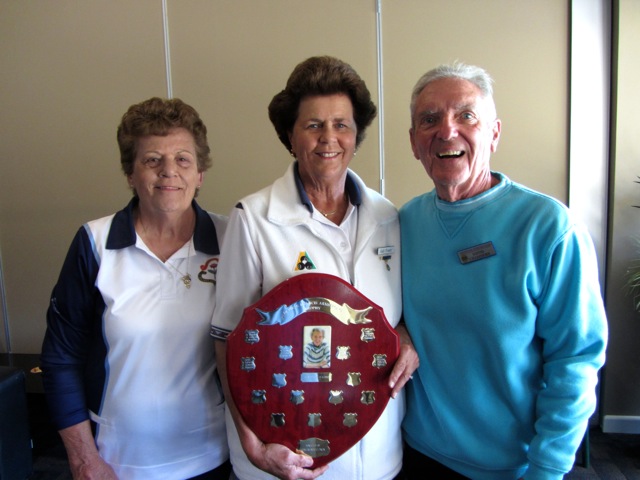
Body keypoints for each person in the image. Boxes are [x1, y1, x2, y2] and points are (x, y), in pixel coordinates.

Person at [210, 55, 419, 480]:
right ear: (290, 135)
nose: (329, 138)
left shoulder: (388, 217)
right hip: (282, 455)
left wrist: (405, 341)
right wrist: (253, 447)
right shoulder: (254, 218)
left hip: (377, 454)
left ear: (357, 134)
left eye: (341, 124)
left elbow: (391, 316)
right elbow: (225, 340)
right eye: (313, 125)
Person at [399, 62, 608, 480]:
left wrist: (547, 468)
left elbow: (576, 357)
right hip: (416, 452)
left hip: (514, 467)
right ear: (414, 143)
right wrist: (399, 328)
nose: (447, 130)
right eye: (429, 119)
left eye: (466, 115)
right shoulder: (403, 223)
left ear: (494, 133)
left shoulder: (548, 227)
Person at [40, 97, 231, 479]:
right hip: (115, 463)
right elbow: (61, 358)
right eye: (152, 160)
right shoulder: (93, 243)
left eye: (182, 159)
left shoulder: (232, 240)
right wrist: (83, 459)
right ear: (131, 173)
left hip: (212, 457)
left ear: (200, 173)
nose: (168, 172)